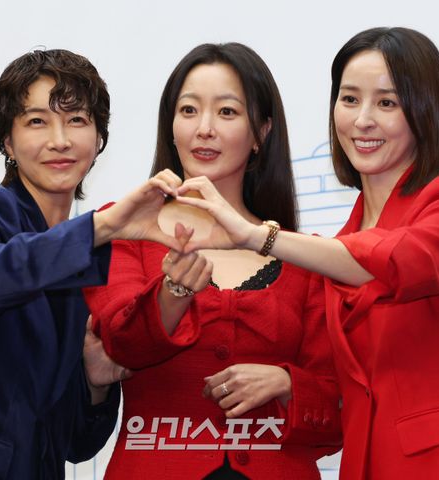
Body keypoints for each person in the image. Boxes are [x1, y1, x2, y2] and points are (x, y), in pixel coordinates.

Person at [177, 28, 439, 479]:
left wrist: (256, 236)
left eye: (387, 103)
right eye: (349, 99)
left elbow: (395, 261)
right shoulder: (336, 244)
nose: (362, 120)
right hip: (369, 464)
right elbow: (335, 386)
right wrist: (287, 381)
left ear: (425, 112)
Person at [0, 49, 181, 480]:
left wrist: (95, 383)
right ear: (7, 141)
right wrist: (102, 226)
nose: (60, 140)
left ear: (99, 139)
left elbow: (77, 445)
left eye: (76, 120)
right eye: (37, 121)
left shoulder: (86, 259)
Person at [83, 42, 341, 479]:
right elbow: (121, 346)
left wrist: (287, 383)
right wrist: (173, 293)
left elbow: (338, 411)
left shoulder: (304, 256)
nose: (204, 129)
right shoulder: (124, 230)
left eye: (227, 112)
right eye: (189, 110)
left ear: (261, 133)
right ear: (170, 127)